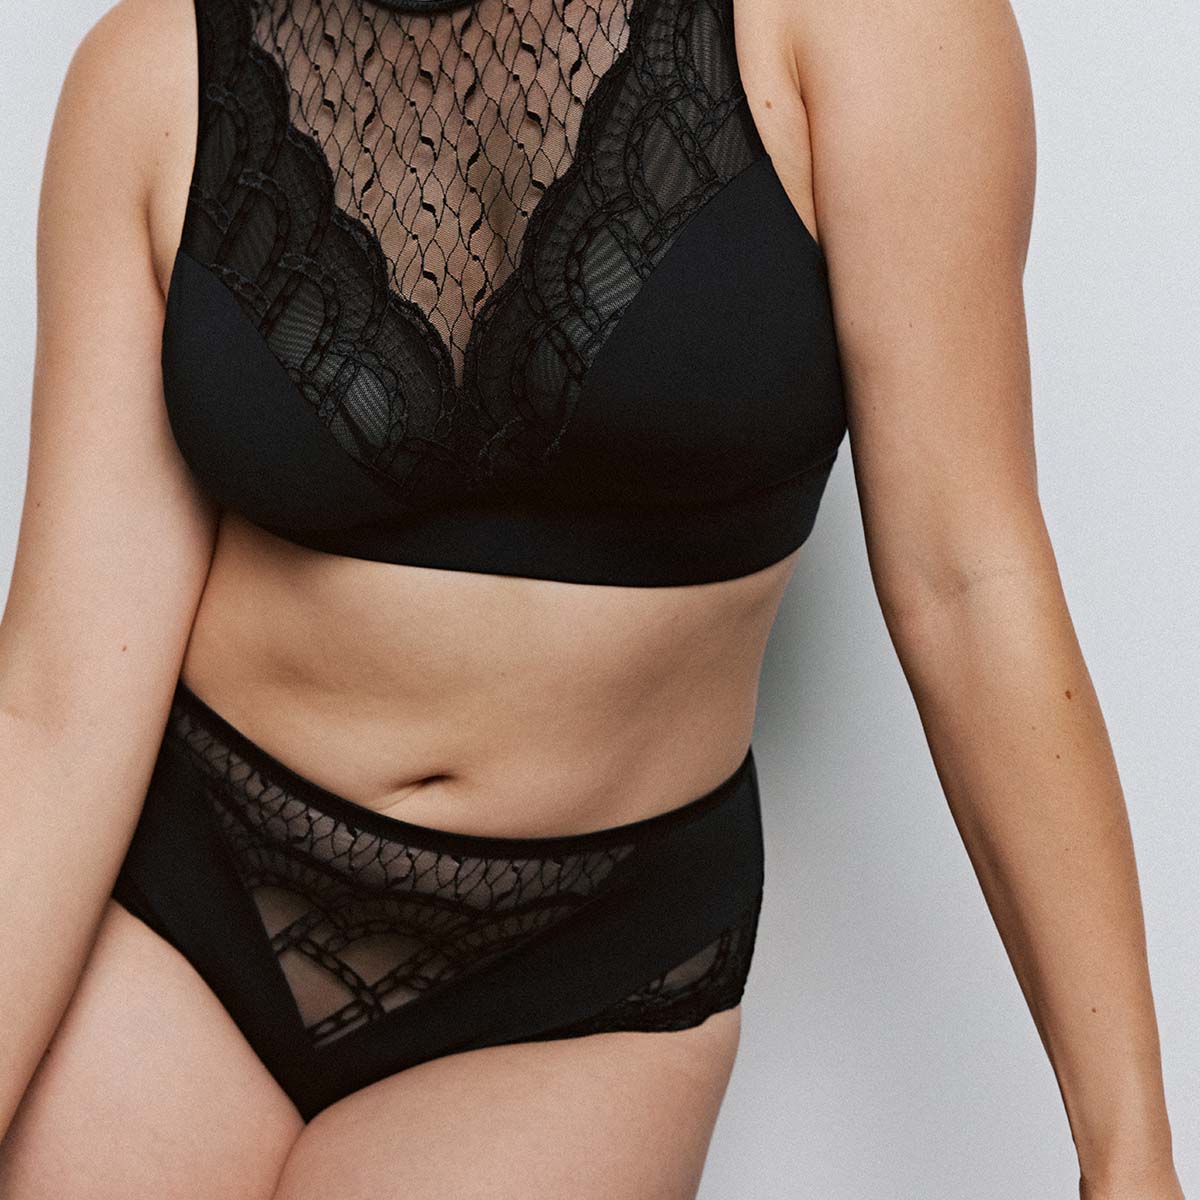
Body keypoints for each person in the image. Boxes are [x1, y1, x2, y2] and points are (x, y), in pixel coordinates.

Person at [0, 0, 1184, 1193]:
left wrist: (1128, 1152)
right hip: (185, 909)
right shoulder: (155, 70)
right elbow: (56, 706)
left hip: (582, 974)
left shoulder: (876, 28)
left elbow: (967, 585)